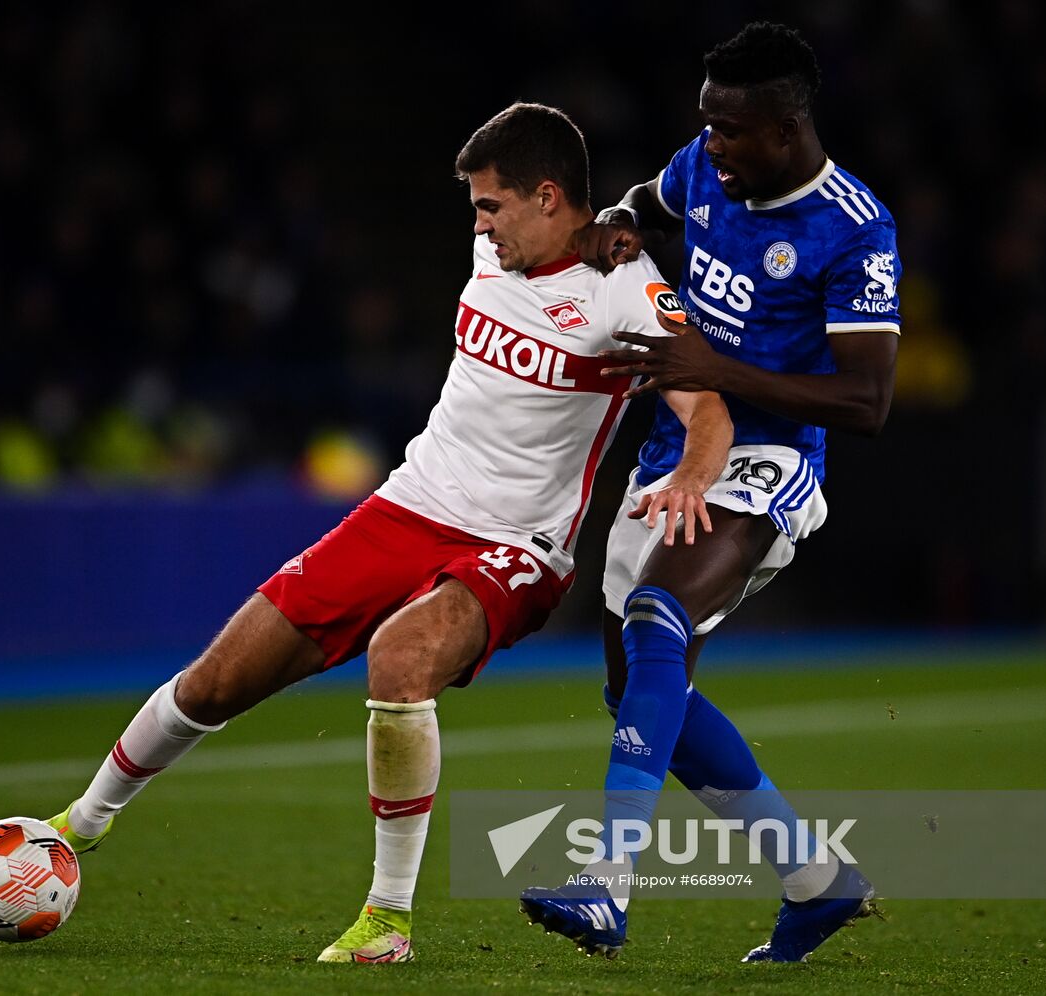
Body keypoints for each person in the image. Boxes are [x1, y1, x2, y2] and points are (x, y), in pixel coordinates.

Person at [43, 102, 734, 964]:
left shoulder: (625, 292)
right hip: (408, 506)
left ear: (548, 196)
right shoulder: (498, 249)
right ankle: (74, 825)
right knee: (218, 679)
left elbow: (706, 404)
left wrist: (692, 476)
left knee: (401, 659)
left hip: (517, 544)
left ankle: (387, 921)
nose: (478, 225)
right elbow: (590, 223)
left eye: (491, 205)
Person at [518, 22, 900, 963]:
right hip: (671, 449)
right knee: (638, 693)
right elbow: (655, 196)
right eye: (707, 124)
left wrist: (711, 362)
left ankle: (606, 888)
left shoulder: (854, 229)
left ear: (788, 125)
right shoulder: (706, 167)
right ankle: (815, 880)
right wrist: (618, 224)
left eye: (732, 130)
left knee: (659, 618)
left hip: (769, 459)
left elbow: (867, 399)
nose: (713, 145)